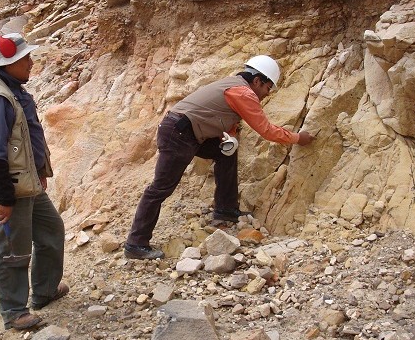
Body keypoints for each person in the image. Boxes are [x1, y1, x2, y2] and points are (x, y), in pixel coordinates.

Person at [124, 55, 315, 260]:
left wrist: (230, 137)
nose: (267, 94)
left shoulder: (233, 85)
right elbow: (266, 130)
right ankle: (136, 244)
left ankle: (226, 209)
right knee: (160, 188)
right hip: (179, 135)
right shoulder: (244, 93)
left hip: (186, 132)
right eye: (268, 87)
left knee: (226, 151)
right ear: (257, 81)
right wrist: (297, 138)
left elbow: (219, 116)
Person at [0, 33, 69, 330]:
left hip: (28, 183)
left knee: (52, 230)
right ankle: (14, 312)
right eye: (26, 59)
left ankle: (44, 290)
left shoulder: (14, 90)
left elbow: (26, 139)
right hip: (12, 188)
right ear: (9, 63)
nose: (31, 63)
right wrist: (5, 200)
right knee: (12, 248)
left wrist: (39, 172)